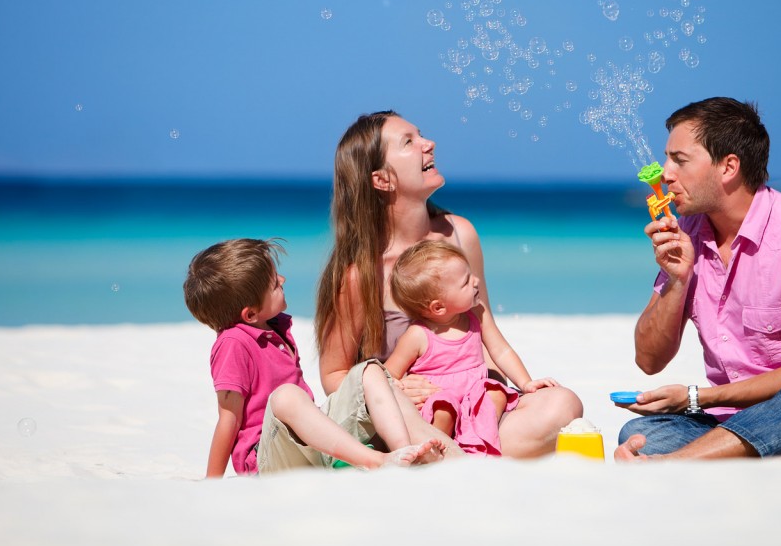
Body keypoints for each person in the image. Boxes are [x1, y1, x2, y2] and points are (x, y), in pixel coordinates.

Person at [614, 97, 781, 461]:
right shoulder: (687, 235)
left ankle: (677, 462)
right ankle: (728, 450)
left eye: (679, 160)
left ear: (728, 167)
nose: (665, 174)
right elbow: (649, 360)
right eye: (667, 159)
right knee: (640, 433)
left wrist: (696, 398)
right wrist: (677, 281)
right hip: (737, 420)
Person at [315, 110, 583, 458]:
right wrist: (391, 388)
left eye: (421, 135)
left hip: (473, 407)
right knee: (406, 420)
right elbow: (334, 374)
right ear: (382, 180)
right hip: (408, 418)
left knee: (563, 403)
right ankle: (452, 452)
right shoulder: (361, 273)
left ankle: (459, 451)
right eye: (409, 142)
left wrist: (499, 392)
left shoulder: (460, 234)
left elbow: (484, 336)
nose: (429, 144)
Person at [183, 238, 443, 477]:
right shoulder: (233, 343)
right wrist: (212, 483)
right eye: (274, 284)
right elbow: (229, 419)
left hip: (308, 444)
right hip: (267, 456)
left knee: (368, 370)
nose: (283, 279)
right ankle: (375, 460)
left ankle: (403, 452)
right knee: (287, 396)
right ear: (250, 314)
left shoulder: (275, 328)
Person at [385, 239, 560, 456]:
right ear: (438, 307)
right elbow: (389, 373)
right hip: (439, 397)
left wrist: (525, 383)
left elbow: (501, 350)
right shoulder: (418, 335)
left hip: (474, 396)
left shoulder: (477, 313)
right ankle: (437, 452)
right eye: (466, 281)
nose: (476, 281)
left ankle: (479, 443)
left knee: (495, 393)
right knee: (443, 409)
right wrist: (401, 386)